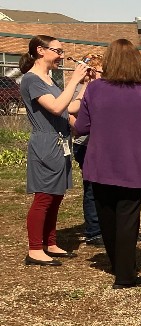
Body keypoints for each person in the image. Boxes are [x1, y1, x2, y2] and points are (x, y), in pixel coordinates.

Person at [75, 38, 141, 288]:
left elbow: (81, 126)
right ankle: (125, 275)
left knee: (107, 217)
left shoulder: (94, 90)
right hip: (133, 167)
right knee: (127, 219)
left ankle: (118, 264)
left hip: (100, 164)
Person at [19, 35, 90, 267]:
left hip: (60, 143)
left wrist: (85, 84)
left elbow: (69, 108)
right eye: (58, 51)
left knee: (56, 196)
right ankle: (35, 249)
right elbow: (57, 106)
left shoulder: (48, 80)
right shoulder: (32, 80)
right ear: (40, 50)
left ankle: (50, 243)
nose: (61, 56)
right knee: (44, 197)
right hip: (45, 144)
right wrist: (73, 80)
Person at [67, 52, 103, 248]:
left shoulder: (102, 89)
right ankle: (93, 231)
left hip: (101, 145)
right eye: (101, 71)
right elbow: (69, 114)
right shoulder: (80, 91)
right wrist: (81, 126)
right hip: (85, 145)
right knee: (91, 188)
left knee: (104, 187)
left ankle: (106, 227)